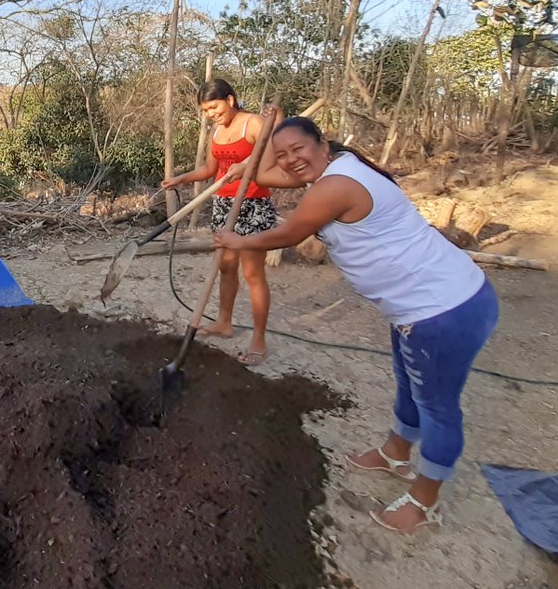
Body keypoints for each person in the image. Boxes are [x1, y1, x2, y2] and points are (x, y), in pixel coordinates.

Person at [213, 115, 499, 534]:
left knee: (437, 407)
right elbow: (273, 174)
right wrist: (249, 164)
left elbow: (289, 233)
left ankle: (425, 502)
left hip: (442, 309)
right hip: (415, 309)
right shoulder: (333, 169)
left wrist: (238, 241)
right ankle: (395, 453)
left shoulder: (335, 185)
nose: (291, 161)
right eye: (282, 154)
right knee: (410, 384)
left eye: (299, 150)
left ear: (322, 146)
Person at [161, 79, 280, 365]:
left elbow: (272, 157)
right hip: (223, 203)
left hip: (252, 204)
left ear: (230, 99)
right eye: (205, 110)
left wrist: (248, 166)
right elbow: (210, 169)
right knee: (226, 267)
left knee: (253, 274)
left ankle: (258, 339)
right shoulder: (217, 130)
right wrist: (181, 178)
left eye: (214, 107)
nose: (210, 114)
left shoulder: (251, 123)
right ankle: (224, 323)